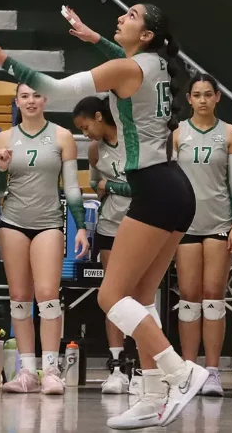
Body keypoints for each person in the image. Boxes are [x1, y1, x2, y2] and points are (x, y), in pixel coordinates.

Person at [0, 4, 203, 429]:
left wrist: (4, 62)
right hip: (174, 187)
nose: (121, 18)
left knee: (111, 297)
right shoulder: (159, 63)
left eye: (130, 15)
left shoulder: (128, 68)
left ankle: (180, 373)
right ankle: (151, 397)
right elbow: (129, 65)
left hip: (154, 189)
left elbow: (53, 90)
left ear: (146, 34)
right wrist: (97, 40)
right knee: (142, 299)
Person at [0, 83, 89, 395]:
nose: (31, 101)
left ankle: (50, 370)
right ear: (16, 101)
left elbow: (72, 187)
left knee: (47, 293)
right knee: (19, 297)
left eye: (36, 95)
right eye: (24, 96)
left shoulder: (62, 136)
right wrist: (1, 169)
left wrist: (81, 226)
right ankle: (25, 371)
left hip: (48, 223)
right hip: (13, 223)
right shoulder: (5, 138)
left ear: (45, 99)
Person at [173, 73, 232, 396]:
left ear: (218, 97)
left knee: (214, 296)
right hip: (185, 224)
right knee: (189, 296)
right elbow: (171, 182)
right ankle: (189, 370)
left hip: (218, 224)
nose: (202, 99)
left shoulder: (230, 134)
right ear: (188, 99)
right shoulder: (177, 135)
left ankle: (213, 371)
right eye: (197, 94)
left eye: (208, 94)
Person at [73, 96, 135, 395]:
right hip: (110, 226)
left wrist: (110, 186)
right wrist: (105, 189)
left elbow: (143, 186)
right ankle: (117, 364)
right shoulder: (95, 149)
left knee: (141, 295)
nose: (85, 134)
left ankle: (144, 366)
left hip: (143, 224)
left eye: (86, 127)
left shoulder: (133, 140)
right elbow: (95, 186)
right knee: (113, 294)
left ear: (100, 116)